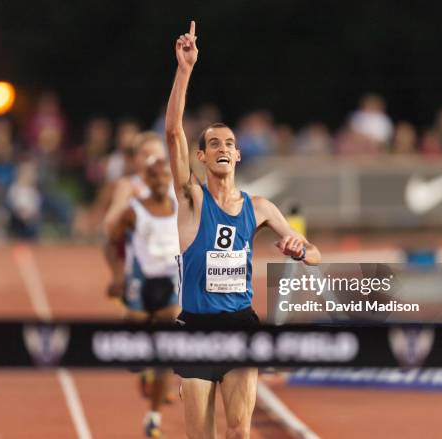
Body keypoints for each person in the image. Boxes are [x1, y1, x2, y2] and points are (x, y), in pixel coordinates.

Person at [165, 21, 321, 439]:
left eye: (229, 144)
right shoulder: (192, 199)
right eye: (214, 144)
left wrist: (298, 248)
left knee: (239, 433)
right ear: (201, 156)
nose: (223, 149)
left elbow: (315, 253)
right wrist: (184, 71)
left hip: (240, 326)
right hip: (195, 329)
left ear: (237, 156)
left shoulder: (260, 208)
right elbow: (172, 132)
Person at [106, 157, 180, 438]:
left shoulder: (180, 207)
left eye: (165, 176)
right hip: (140, 282)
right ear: (147, 181)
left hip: (170, 283)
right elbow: (110, 243)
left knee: (166, 342)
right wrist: (116, 275)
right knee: (133, 359)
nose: (161, 181)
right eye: (155, 177)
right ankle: (144, 368)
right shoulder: (133, 211)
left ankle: (153, 416)